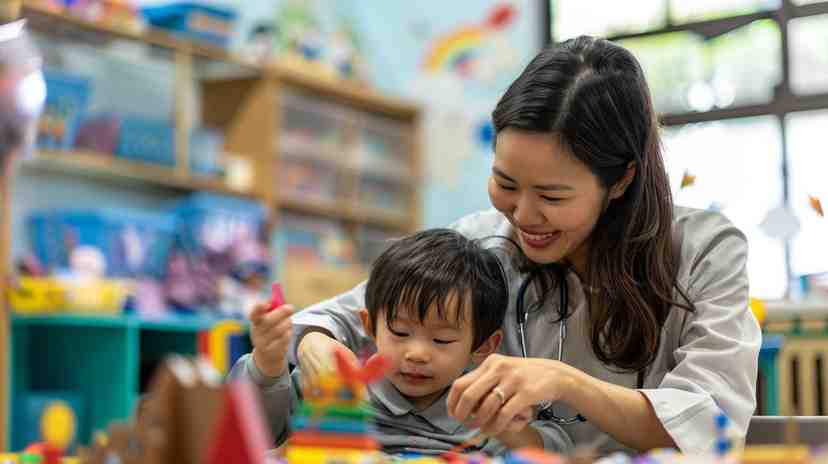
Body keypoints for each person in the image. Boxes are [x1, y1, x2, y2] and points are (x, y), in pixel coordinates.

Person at [287, 36, 761, 455]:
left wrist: (566, 382)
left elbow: (714, 426)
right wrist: (316, 346)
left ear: (620, 180)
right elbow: (332, 321)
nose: (523, 216)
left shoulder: (705, 251)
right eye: (505, 182)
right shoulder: (481, 241)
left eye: (552, 196)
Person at [230, 229, 573, 456]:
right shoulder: (335, 388)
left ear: (483, 346)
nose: (417, 353)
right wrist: (269, 362)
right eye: (399, 332)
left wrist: (511, 431)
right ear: (369, 326)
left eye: (441, 339)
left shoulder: (480, 412)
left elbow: (558, 448)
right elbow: (250, 432)